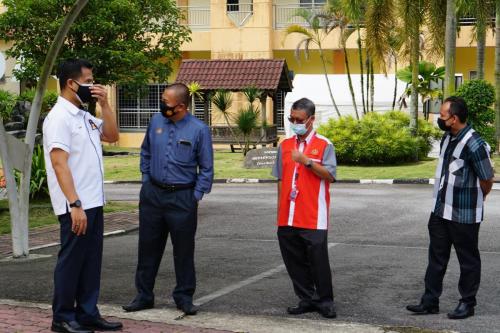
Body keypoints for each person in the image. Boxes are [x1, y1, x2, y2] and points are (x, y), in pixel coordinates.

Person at [43, 59, 122, 333]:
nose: (92, 86)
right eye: (88, 81)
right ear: (71, 83)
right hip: (76, 205)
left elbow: (112, 135)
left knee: (90, 261)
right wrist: (74, 204)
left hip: (94, 202)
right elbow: (59, 163)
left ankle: (87, 312)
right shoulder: (59, 118)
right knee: (72, 261)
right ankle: (62, 317)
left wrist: (106, 105)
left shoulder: (83, 116)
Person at [123, 83, 214, 315]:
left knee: (183, 250)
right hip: (153, 195)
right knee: (147, 247)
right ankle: (144, 296)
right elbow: (145, 151)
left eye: (166, 102)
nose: (162, 105)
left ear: (181, 106)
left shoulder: (199, 129)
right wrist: (146, 180)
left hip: (182, 197)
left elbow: (206, 168)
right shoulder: (155, 122)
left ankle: (184, 297)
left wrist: (195, 195)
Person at [406, 96, 495, 319]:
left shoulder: (475, 144)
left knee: (468, 260)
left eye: (443, 115)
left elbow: (487, 178)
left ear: (454, 119)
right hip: (440, 210)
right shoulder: (447, 137)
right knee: (436, 258)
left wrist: (477, 199)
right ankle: (429, 301)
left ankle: (467, 303)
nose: (439, 118)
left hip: (463, 214)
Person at [272, 98, 338, 318]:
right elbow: (280, 179)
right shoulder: (285, 146)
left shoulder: (324, 145)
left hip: (313, 216)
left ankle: (325, 301)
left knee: (318, 260)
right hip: (288, 216)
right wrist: (280, 209)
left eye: (298, 119)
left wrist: (307, 161)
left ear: (311, 119)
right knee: (294, 260)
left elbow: (330, 175)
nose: (294, 122)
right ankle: (306, 298)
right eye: (291, 118)